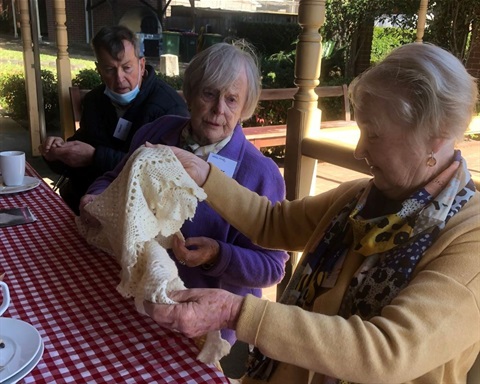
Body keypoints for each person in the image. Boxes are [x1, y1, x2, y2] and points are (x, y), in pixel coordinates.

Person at [143, 43, 480, 383]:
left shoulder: (471, 239)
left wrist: (236, 312)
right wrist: (203, 175)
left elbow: (388, 352)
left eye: (374, 135)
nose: (360, 150)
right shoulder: (359, 198)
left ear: (434, 139)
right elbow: (272, 222)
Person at [80, 41, 289, 346]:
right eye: (209, 94)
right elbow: (115, 177)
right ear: (190, 94)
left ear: (245, 106)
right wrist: (94, 196)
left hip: (201, 324)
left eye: (232, 99)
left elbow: (271, 267)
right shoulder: (157, 132)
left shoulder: (259, 173)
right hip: (136, 297)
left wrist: (218, 255)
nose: (219, 109)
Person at [39, 25, 189, 214]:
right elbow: (80, 153)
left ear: (141, 65)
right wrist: (56, 153)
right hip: (83, 205)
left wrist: (94, 157)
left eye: (127, 68)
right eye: (109, 69)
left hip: (137, 214)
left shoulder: (170, 109)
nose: (119, 78)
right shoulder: (95, 101)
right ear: (98, 69)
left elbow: (162, 174)